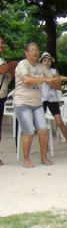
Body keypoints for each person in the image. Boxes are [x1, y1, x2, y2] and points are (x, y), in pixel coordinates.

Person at [14, 43, 67, 168]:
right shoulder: (22, 64)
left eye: (37, 50)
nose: (35, 52)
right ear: (26, 53)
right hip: (22, 102)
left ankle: (43, 157)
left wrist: (61, 78)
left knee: (44, 130)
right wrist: (44, 80)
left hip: (37, 103)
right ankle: (26, 160)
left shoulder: (40, 67)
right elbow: (27, 80)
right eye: (32, 50)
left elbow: (52, 78)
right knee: (29, 131)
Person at [39, 52, 67, 151]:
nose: (47, 62)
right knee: (41, 124)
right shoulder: (38, 71)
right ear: (41, 62)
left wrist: (50, 81)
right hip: (41, 98)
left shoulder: (54, 72)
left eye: (49, 60)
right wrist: (51, 80)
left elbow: (58, 86)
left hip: (52, 99)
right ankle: (44, 146)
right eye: (44, 60)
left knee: (59, 121)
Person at [0, 35, 18, 166]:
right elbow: (3, 69)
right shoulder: (3, 63)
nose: (2, 45)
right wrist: (14, 63)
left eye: (2, 43)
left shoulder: (2, 60)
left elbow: (7, 77)